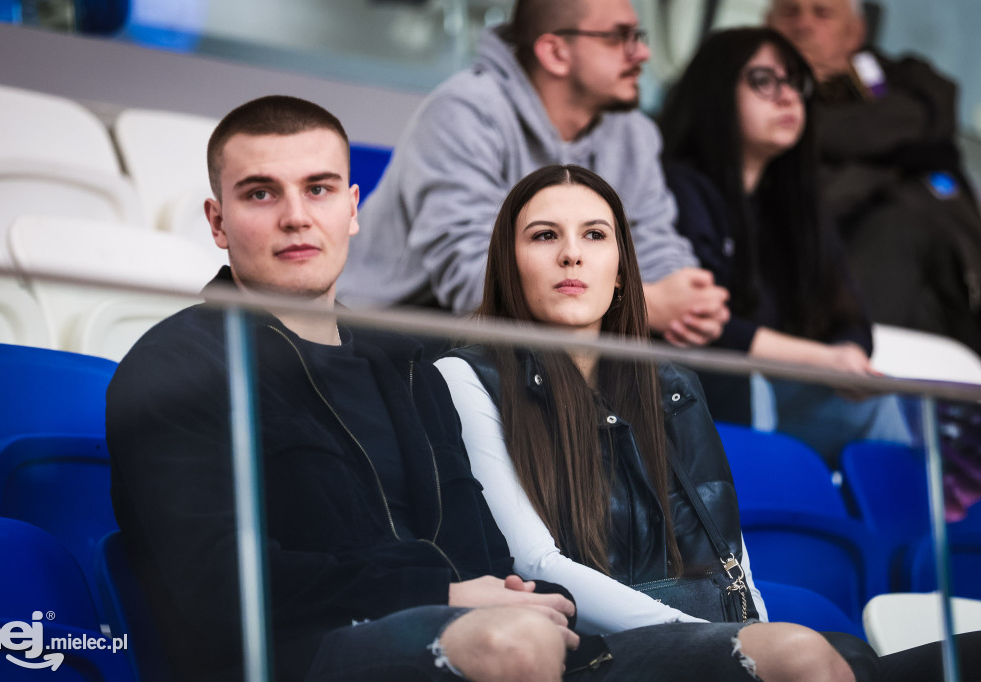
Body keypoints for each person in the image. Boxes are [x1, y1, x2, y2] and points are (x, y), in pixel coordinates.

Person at [106, 95, 860, 682]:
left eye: (320, 188)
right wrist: (439, 589)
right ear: (217, 219)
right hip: (302, 657)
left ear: (354, 207)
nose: (297, 216)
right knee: (515, 640)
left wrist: (489, 593)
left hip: (483, 630)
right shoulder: (176, 366)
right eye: (261, 193)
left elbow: (486, 549)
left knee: (797, 656)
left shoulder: (408, 363)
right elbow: (213, 585)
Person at [435, 163, 871, 679]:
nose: (571, 253)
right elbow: (535, 564)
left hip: (695, 637)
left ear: (620, 271)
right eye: (545, 235)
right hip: (577, 647)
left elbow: (729, 553)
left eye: (594, 235)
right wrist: (717, 641)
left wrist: (754, 631)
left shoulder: (672, 383)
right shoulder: (464, 375)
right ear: (510, 264)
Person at [339, 0, 730, 349]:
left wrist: (688, 300)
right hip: (394, 336)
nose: (642, 53)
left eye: (638, 36)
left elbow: (653, 242)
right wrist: (642, 304)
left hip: (547, 337)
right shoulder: (463, 112)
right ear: (555, 52)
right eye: (618, 38)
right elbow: (472, 281)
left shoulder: (633, 132)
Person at [658, 27, 910, 465]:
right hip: (698, 399)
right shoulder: (677, 188)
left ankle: (905, 536)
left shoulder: (796, 205)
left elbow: (850, 316)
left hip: (776, 393)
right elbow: (701, 326)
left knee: (875, 402)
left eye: (796, 82)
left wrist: (848, 354)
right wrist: (821, 359)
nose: (788, 97)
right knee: (745, 386)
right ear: (716, 91)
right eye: (763, 81)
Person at [766, 0, 981, 353]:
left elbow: (928, 112)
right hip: (815, 300)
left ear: (855, 32)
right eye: (790, 13)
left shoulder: (911, 80)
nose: (803, 26)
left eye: (821, 13)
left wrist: (816, 117)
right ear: (767, 25)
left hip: (950, 295)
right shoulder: (743, 97)